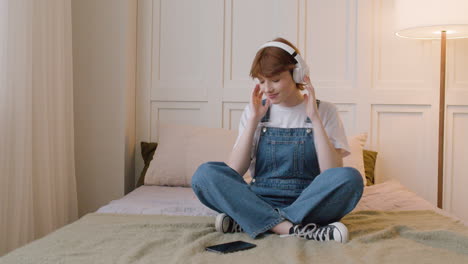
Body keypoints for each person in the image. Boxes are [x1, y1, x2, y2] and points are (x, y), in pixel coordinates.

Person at [191, 37, 363, 243]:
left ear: (297, 74)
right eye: (262, 81)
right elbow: (235, 171)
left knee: (350, 178)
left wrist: (314, 119)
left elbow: (331, 173)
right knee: (204, 174)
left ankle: (252, 220)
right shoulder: (254, 111)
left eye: (275, 80)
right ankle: (292, 229)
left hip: (309, 200)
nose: (267, 89)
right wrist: (254, 119)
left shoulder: (325, 111)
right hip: (259, 198)